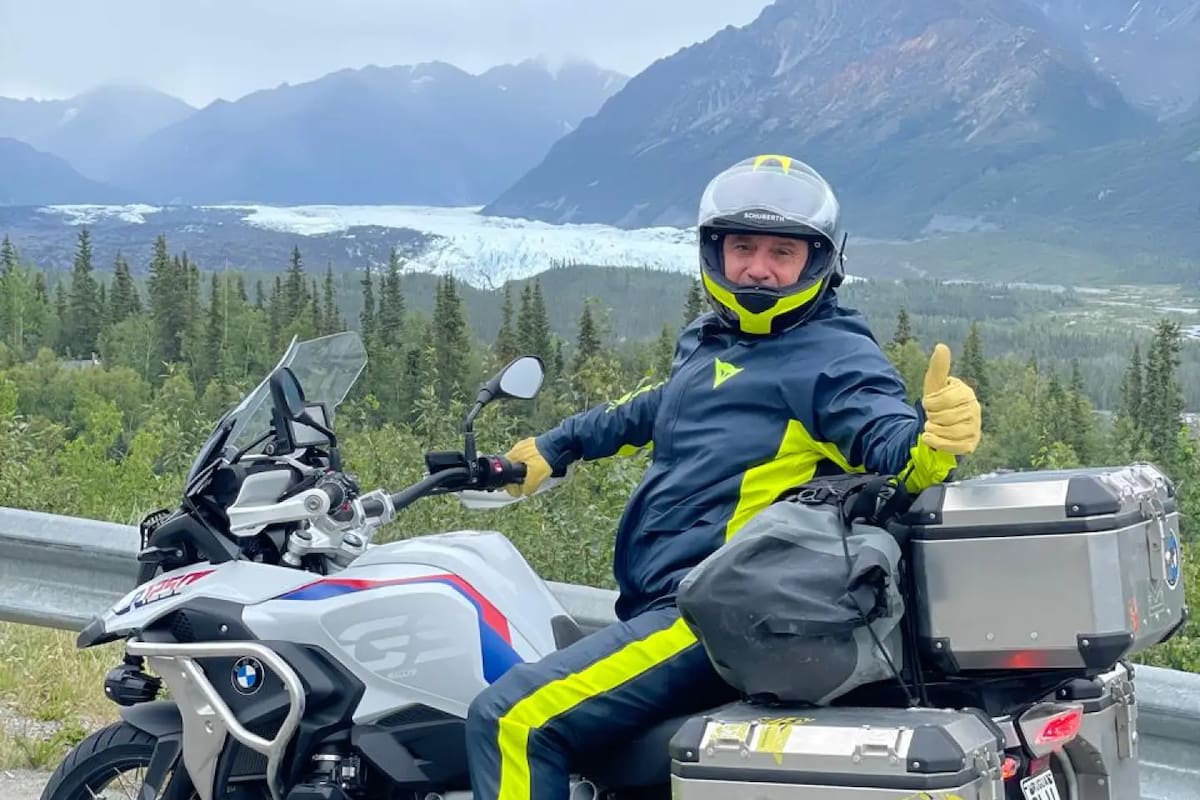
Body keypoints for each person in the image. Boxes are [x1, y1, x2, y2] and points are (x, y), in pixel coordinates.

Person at [464, 154, 982, 800]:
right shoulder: (717, 341)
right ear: (715, 251)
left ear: (819, 264)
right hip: (679, 607)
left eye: (780, 252)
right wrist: (548, 450)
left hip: (715, 615)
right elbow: (651, 407)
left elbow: (886, 441)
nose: (758, 267)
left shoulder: (831, 357)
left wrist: (930, 444)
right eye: (742, 247)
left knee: (512, 720)